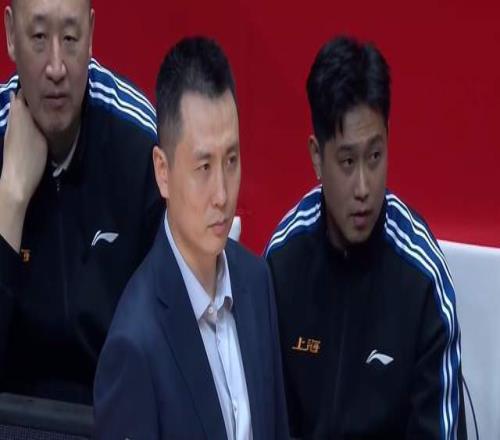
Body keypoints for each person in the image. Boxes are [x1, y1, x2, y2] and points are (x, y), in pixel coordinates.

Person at [265, 36, 467, 439]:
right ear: (317, 157)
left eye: (375, 157)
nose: (363, 187)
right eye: (347, 161)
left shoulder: (422, 281)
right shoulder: (282, 263)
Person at [94, 36, 289, 439]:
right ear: (162, 171)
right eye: (203, 167)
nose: (222, 194)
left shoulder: (257, 282)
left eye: (231, 160)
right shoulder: (135, 343)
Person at [0, 0, 162, 404]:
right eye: (39, 37)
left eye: (70, 38)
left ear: (90, 34)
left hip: (115, 419)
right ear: (10, 35)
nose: (56, 67)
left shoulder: (139, 146)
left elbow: (171, 349)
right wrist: (11, 197)